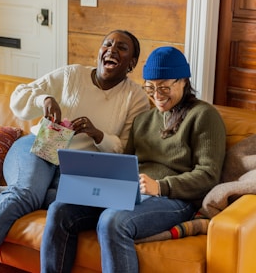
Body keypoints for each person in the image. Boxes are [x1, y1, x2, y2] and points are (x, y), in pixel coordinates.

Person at [0, 30, 150, 273]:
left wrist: (97, 134)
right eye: (107, 44)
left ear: (131, 63)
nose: (111, 50)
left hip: (79, 166)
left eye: (121, 48)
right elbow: (19, 97)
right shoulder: (71, 74)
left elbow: (125, 149)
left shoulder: (136, 98)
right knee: (26, 194)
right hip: (39, 145)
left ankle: (7, 192)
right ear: (99, 52)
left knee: (67, 200)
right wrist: (44, 99)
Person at [40, 46, 227, 273]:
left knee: (112, 221)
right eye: (150, 87)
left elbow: (209, 175)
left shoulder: (204, 115)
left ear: (183, 81)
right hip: (133, 192)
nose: (157, 95)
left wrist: (161, 186)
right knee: (60, 209)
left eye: (164, 87)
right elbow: (127, 164)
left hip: (175, 199)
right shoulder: (143, 120)